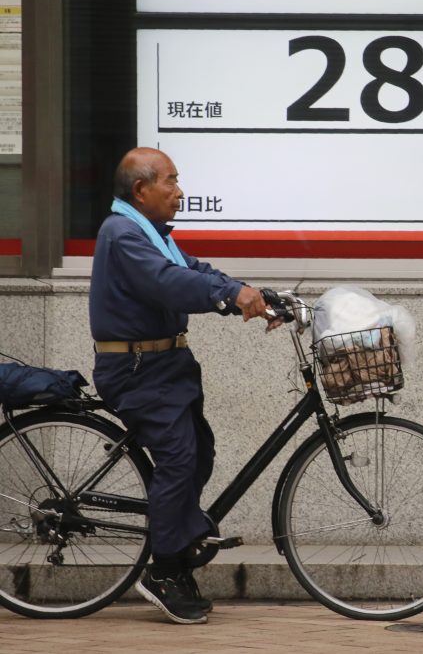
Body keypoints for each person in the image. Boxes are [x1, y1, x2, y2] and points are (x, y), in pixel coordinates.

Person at [89, 147, 279, 624]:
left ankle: (176, 543)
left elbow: (193, 270)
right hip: (136, 371)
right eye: (171, 181)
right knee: (177, 457)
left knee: (200, 451)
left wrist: (250, 293)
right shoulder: (122, 234)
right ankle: (164, 569)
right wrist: (230, 296)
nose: (179, 190)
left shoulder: (151, 233)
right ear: (141, 189)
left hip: (166, 366)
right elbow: (167, 283)